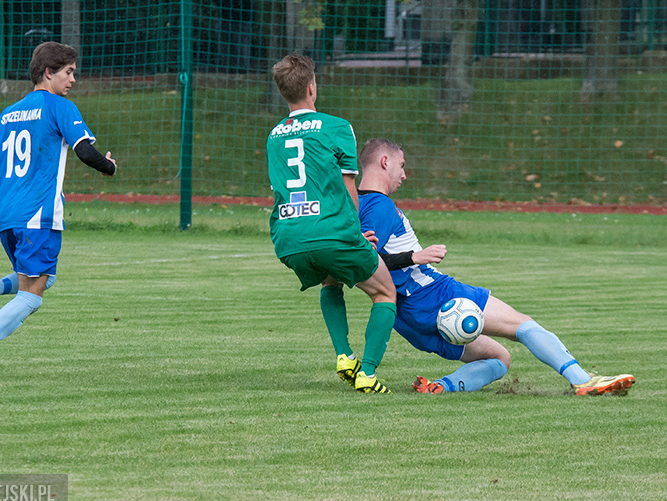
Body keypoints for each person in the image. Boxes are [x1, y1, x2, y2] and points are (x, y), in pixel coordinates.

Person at [357, 137, 635, 396]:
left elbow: (357, 261)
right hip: (432, 294)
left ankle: (441, 387)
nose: (404, 175)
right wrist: (413, 257)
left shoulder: (355, 206)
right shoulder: (380, 205)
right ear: (385, 161)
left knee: (500, 358)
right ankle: (583, 380)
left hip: (406, 319)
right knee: (523, 325)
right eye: (402, 166)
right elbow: (369, 260)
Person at [0, 42, 117, 379]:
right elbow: (85, 152)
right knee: (33, 296)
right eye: (68, 71)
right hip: (37, 215)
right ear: (48, 72)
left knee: (46, 278)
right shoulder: (59, 106)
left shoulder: (7, 113)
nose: (73, 79)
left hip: (5, 215)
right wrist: (109, 167)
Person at [266, 53, 397, 393]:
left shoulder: (274, 136)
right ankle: (367, 373)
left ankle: (343, 356)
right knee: (384, 293)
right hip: (331, 232)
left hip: (289, 237)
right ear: (312, 88)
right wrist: (356, 233)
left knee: (330, 282)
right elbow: (347, 185)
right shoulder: (337, 127)